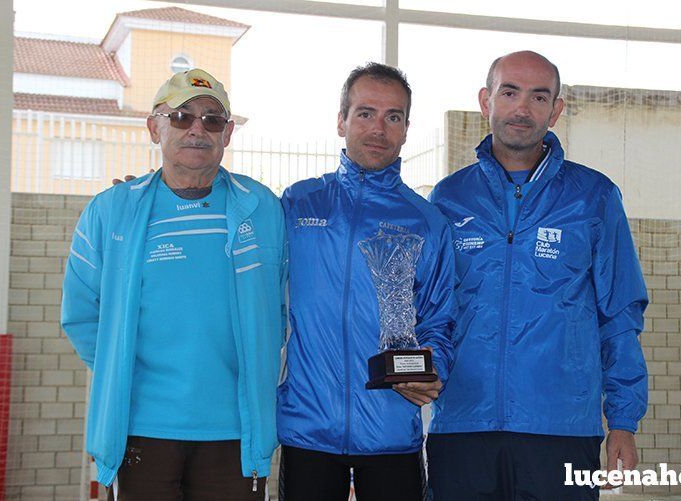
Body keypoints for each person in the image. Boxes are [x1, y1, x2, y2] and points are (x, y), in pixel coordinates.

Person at [426, 51, 649, 500]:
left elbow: (620, 315)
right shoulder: (449, 198)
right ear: (486, 100)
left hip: (562, 430)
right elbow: (434, 313)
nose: (522, 108)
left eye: (538, 96)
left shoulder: (594, 197)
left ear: (556, 110)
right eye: (509, 92)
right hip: (463, 427)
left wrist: (623, 422)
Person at [61, 68, 287, 500]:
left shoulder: (263, 209)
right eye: (181, 116)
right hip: (142, 427)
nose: (198, 129)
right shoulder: (111, 211)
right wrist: (122, 370)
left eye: (212, 119)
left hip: (236, 430)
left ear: (228, 133)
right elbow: (81, 315)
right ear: (154, 127)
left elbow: (283, 306)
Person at [277, 62, 456, 501]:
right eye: (365, 113)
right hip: (306, 431)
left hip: (392, 431)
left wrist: (436, 368)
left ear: (407, 129)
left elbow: (441, 320)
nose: (379, 128)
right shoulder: (297, 204)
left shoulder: (427, 221)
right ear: (341, 121)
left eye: (393, 116)